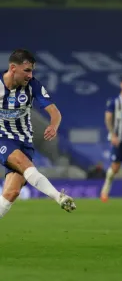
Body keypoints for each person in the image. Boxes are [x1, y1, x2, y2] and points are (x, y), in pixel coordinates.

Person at [0, 49, 76, 218]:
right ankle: (59, 197)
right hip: (3, 139)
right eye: (26, 70)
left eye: (32, 70)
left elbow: (55, 112)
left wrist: (53, 126)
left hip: (25, 142)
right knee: (26, 165)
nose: (30, 75)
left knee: (11, 193)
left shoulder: (33, 85)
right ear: (13, 68)